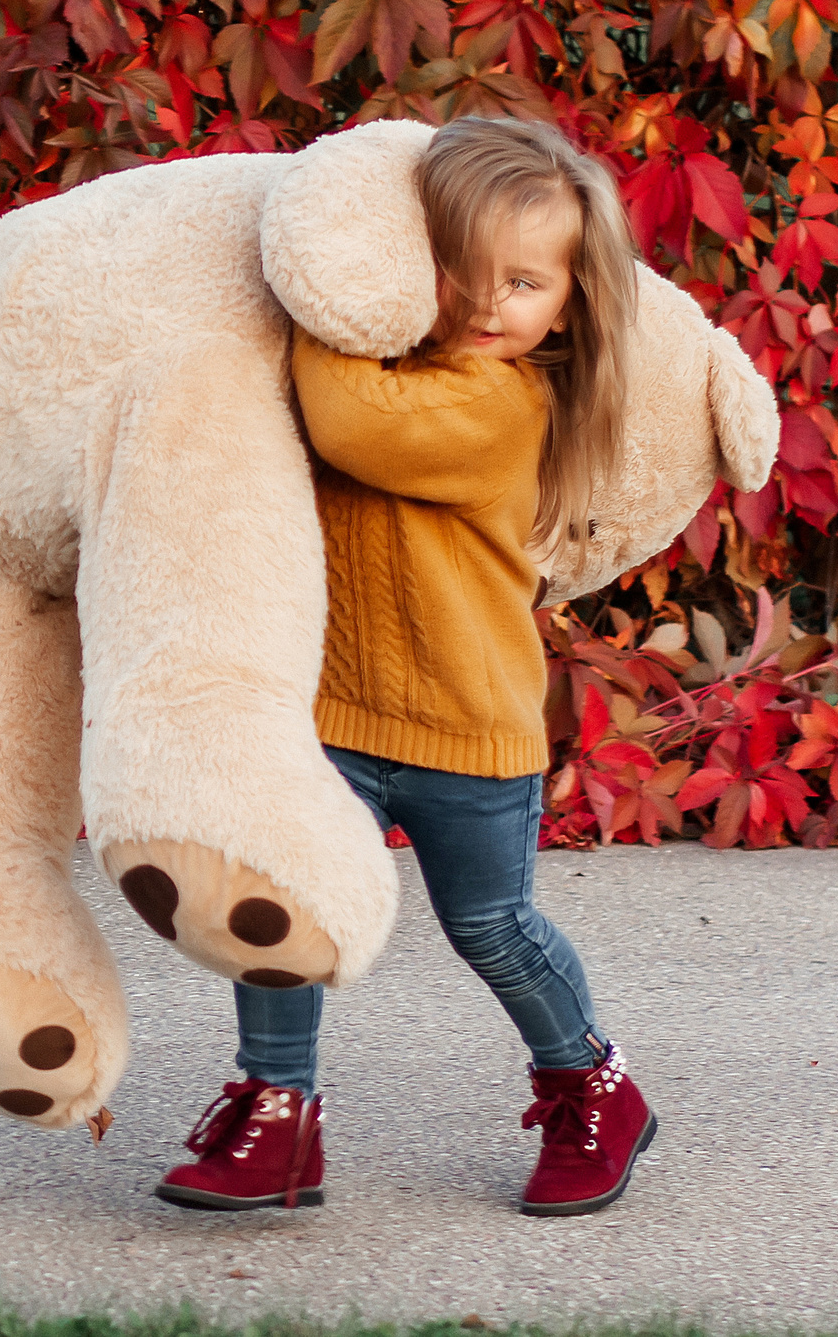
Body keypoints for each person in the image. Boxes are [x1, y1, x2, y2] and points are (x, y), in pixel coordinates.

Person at [153, 113, 655, 1218]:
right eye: (459, 272)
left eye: (522, 282)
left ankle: (591, 1086)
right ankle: (276, 1113)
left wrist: (307, 293)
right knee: (277, 903)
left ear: (570, 298)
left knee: (491, 927)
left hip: (466, 725)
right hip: (328, 712)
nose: (486, 305)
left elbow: (348, 424)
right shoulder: (405, 356)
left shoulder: (497, 403)